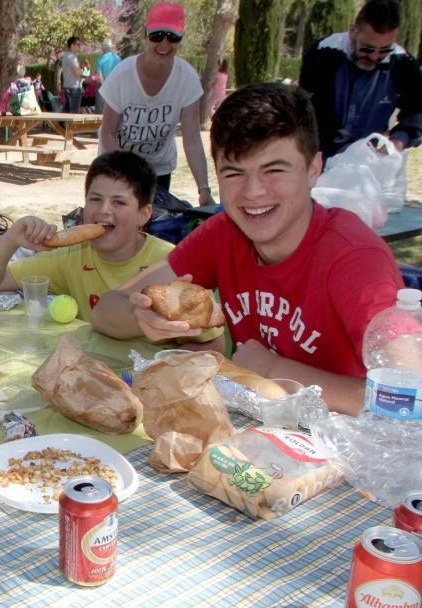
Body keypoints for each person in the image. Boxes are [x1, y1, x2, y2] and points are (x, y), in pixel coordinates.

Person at [91, 83, 405, 416]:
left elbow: (408, 397)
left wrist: (273, 369)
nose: (253, 192)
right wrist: (143, 318)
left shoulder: (354, 258)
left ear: (314, 169)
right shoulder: (224, 233)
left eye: (274, 170)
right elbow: (106, 309)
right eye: (234, 173)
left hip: (349, 451)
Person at [0, 151, 178, 324]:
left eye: (119, 202)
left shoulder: (171, 262)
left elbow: (203, 340)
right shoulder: (71, 254)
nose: (104, 210)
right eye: (95, 199)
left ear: (144, 213)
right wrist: (11, 238)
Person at [98, 3, 215, 206]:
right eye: (157, 35)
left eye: (173, 37)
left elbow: (192, 138)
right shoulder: (122, 75)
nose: (164, 44)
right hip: (118, 166)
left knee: (152, 229)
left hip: (157, 170)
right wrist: (128, 174)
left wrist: (203, 189)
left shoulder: (187, 78)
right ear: (146, 36)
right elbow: (107, 132)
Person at [299, 0, 422, 159]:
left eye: (384, 50)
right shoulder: (324, 53)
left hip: (371, 156)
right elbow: (308, 109)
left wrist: (398, 140)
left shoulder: (402, 63)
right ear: (352, 31)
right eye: (367, 48)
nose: (374, 57)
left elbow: (417, 110)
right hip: (320, 152)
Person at [95, 38, 122, 114]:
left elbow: (98, 75)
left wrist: (104, 86)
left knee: (100, 113)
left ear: (103, 48)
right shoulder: (118, 58)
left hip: (103, 88)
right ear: (110, 48)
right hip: (115, 88)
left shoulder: (100, 59)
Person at [61, 36, 85, 114]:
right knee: (73, 112)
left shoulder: (65, 56)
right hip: (73, 88)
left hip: (68, 86)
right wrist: (82, 71)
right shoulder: (72, 57)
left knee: (67, 111)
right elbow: (77, 72)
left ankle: (60, 125)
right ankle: (66, 126)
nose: (79, 47)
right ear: (72, 45)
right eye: (78, 45)